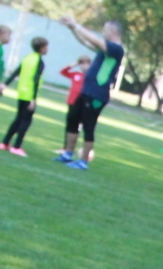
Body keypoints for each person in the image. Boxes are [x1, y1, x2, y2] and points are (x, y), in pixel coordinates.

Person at [56, 16, 125, 171]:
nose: (103, 32)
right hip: (87, 91)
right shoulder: (106, 49)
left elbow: (96, 41)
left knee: (88, 126)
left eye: (105, 29)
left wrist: (77, 25)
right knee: (72, 118)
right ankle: (67, 154)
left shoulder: (116, 49)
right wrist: (73, 29)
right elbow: (86, 42)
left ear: (113, 31)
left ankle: (83, 162)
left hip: (97, 94)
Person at [0, 37, 49, 157]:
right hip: (29, 95)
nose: (48, 49)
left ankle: (5, 143)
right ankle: (16, 146)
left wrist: (5, 84)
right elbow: (36, 80)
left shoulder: (27, 58)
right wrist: (33, 99)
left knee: (18, 119)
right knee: (26, 121)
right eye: (46, 47)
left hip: (21, 93)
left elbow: (16, 72)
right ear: (42, 48)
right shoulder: (39, 62)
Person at [56, 56, 92, 155]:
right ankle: (66, 147)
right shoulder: (76, 74)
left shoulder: (89, 76)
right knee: (70, 125)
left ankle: (75, 148)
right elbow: (63, 72)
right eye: (82, 63)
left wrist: (88, 70)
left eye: (86, 63)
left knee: (80, 126)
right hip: (71, 102)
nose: (83, 66)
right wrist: (73, 64)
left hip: (82, 104)